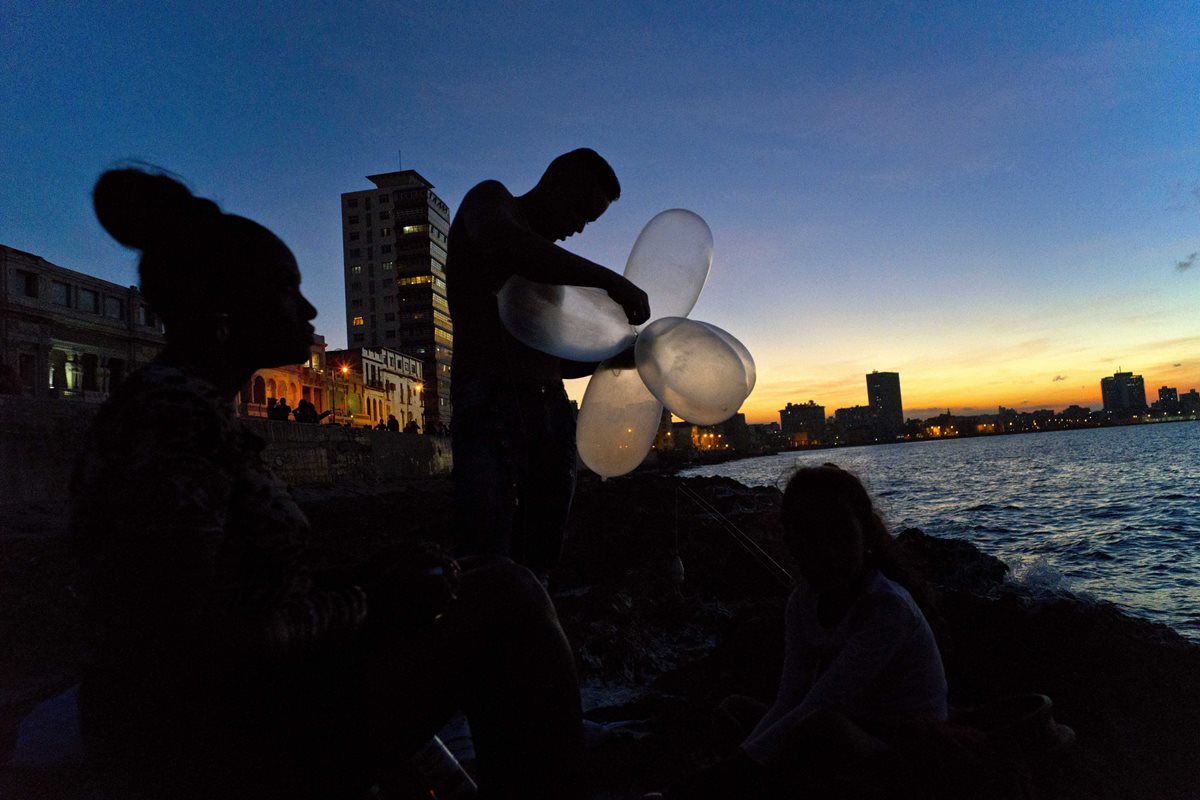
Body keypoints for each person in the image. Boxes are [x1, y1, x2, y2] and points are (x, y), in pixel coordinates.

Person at [72, 167, 586, 800]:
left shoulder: (192, 409)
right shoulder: (169, 421)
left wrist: (364, 576)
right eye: (288, 289)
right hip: (205, 733)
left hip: (241, 695)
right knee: (510, 596)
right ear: (226, 313)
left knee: (487, 575)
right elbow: (192, 639)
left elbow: (236, 585)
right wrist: (368, 602)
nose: (310, 309)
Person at [651, 464, 948, 798]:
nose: (825, 550)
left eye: (839, 532)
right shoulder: (803, 603)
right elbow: (789, 700)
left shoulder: (886, 608)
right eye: (808, 534)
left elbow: (819, 706)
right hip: (850, 729)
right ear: (790, 541)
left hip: (909, 751)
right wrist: (732, 769)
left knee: (816, 728)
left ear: (865, 532)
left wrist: (715, 781)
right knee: (735, 711)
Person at [447, 148, 649, 579]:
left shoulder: (549, 270)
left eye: (589, 221)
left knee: (541, 553)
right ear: (554, 181)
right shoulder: (492, 201)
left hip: (550, 412)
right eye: (578, 210)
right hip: (489, 403)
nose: (577, 228)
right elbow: (503, 244)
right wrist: (611, 281)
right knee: (489, 549)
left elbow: (552, 362)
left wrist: (609, 358)